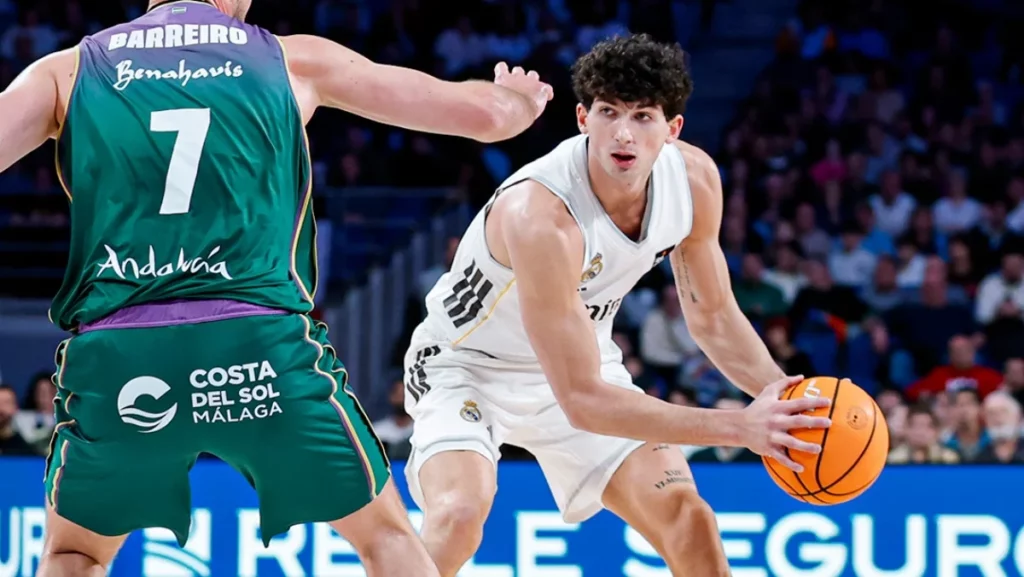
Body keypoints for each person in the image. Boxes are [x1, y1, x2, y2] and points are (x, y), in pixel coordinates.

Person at [0, 0, 553, 575]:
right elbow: (486, 119)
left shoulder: (68, 70)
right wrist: (518, 99)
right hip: (258, 344)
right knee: (385, 538)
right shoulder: (290, 59)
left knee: (75, 552)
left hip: (121, 351)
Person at [404, 34, 831, 577]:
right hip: (465, 367)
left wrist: (784, 399)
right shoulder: (542, 216)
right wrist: (741, 427)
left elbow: (713, 315)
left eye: (643, 116)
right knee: (460, 514)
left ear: (672, 129)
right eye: (609, 112)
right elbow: (583, 402)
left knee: (689, 520)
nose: (623, 133)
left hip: (579, 359)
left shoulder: (695, 181)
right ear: (583, 117)